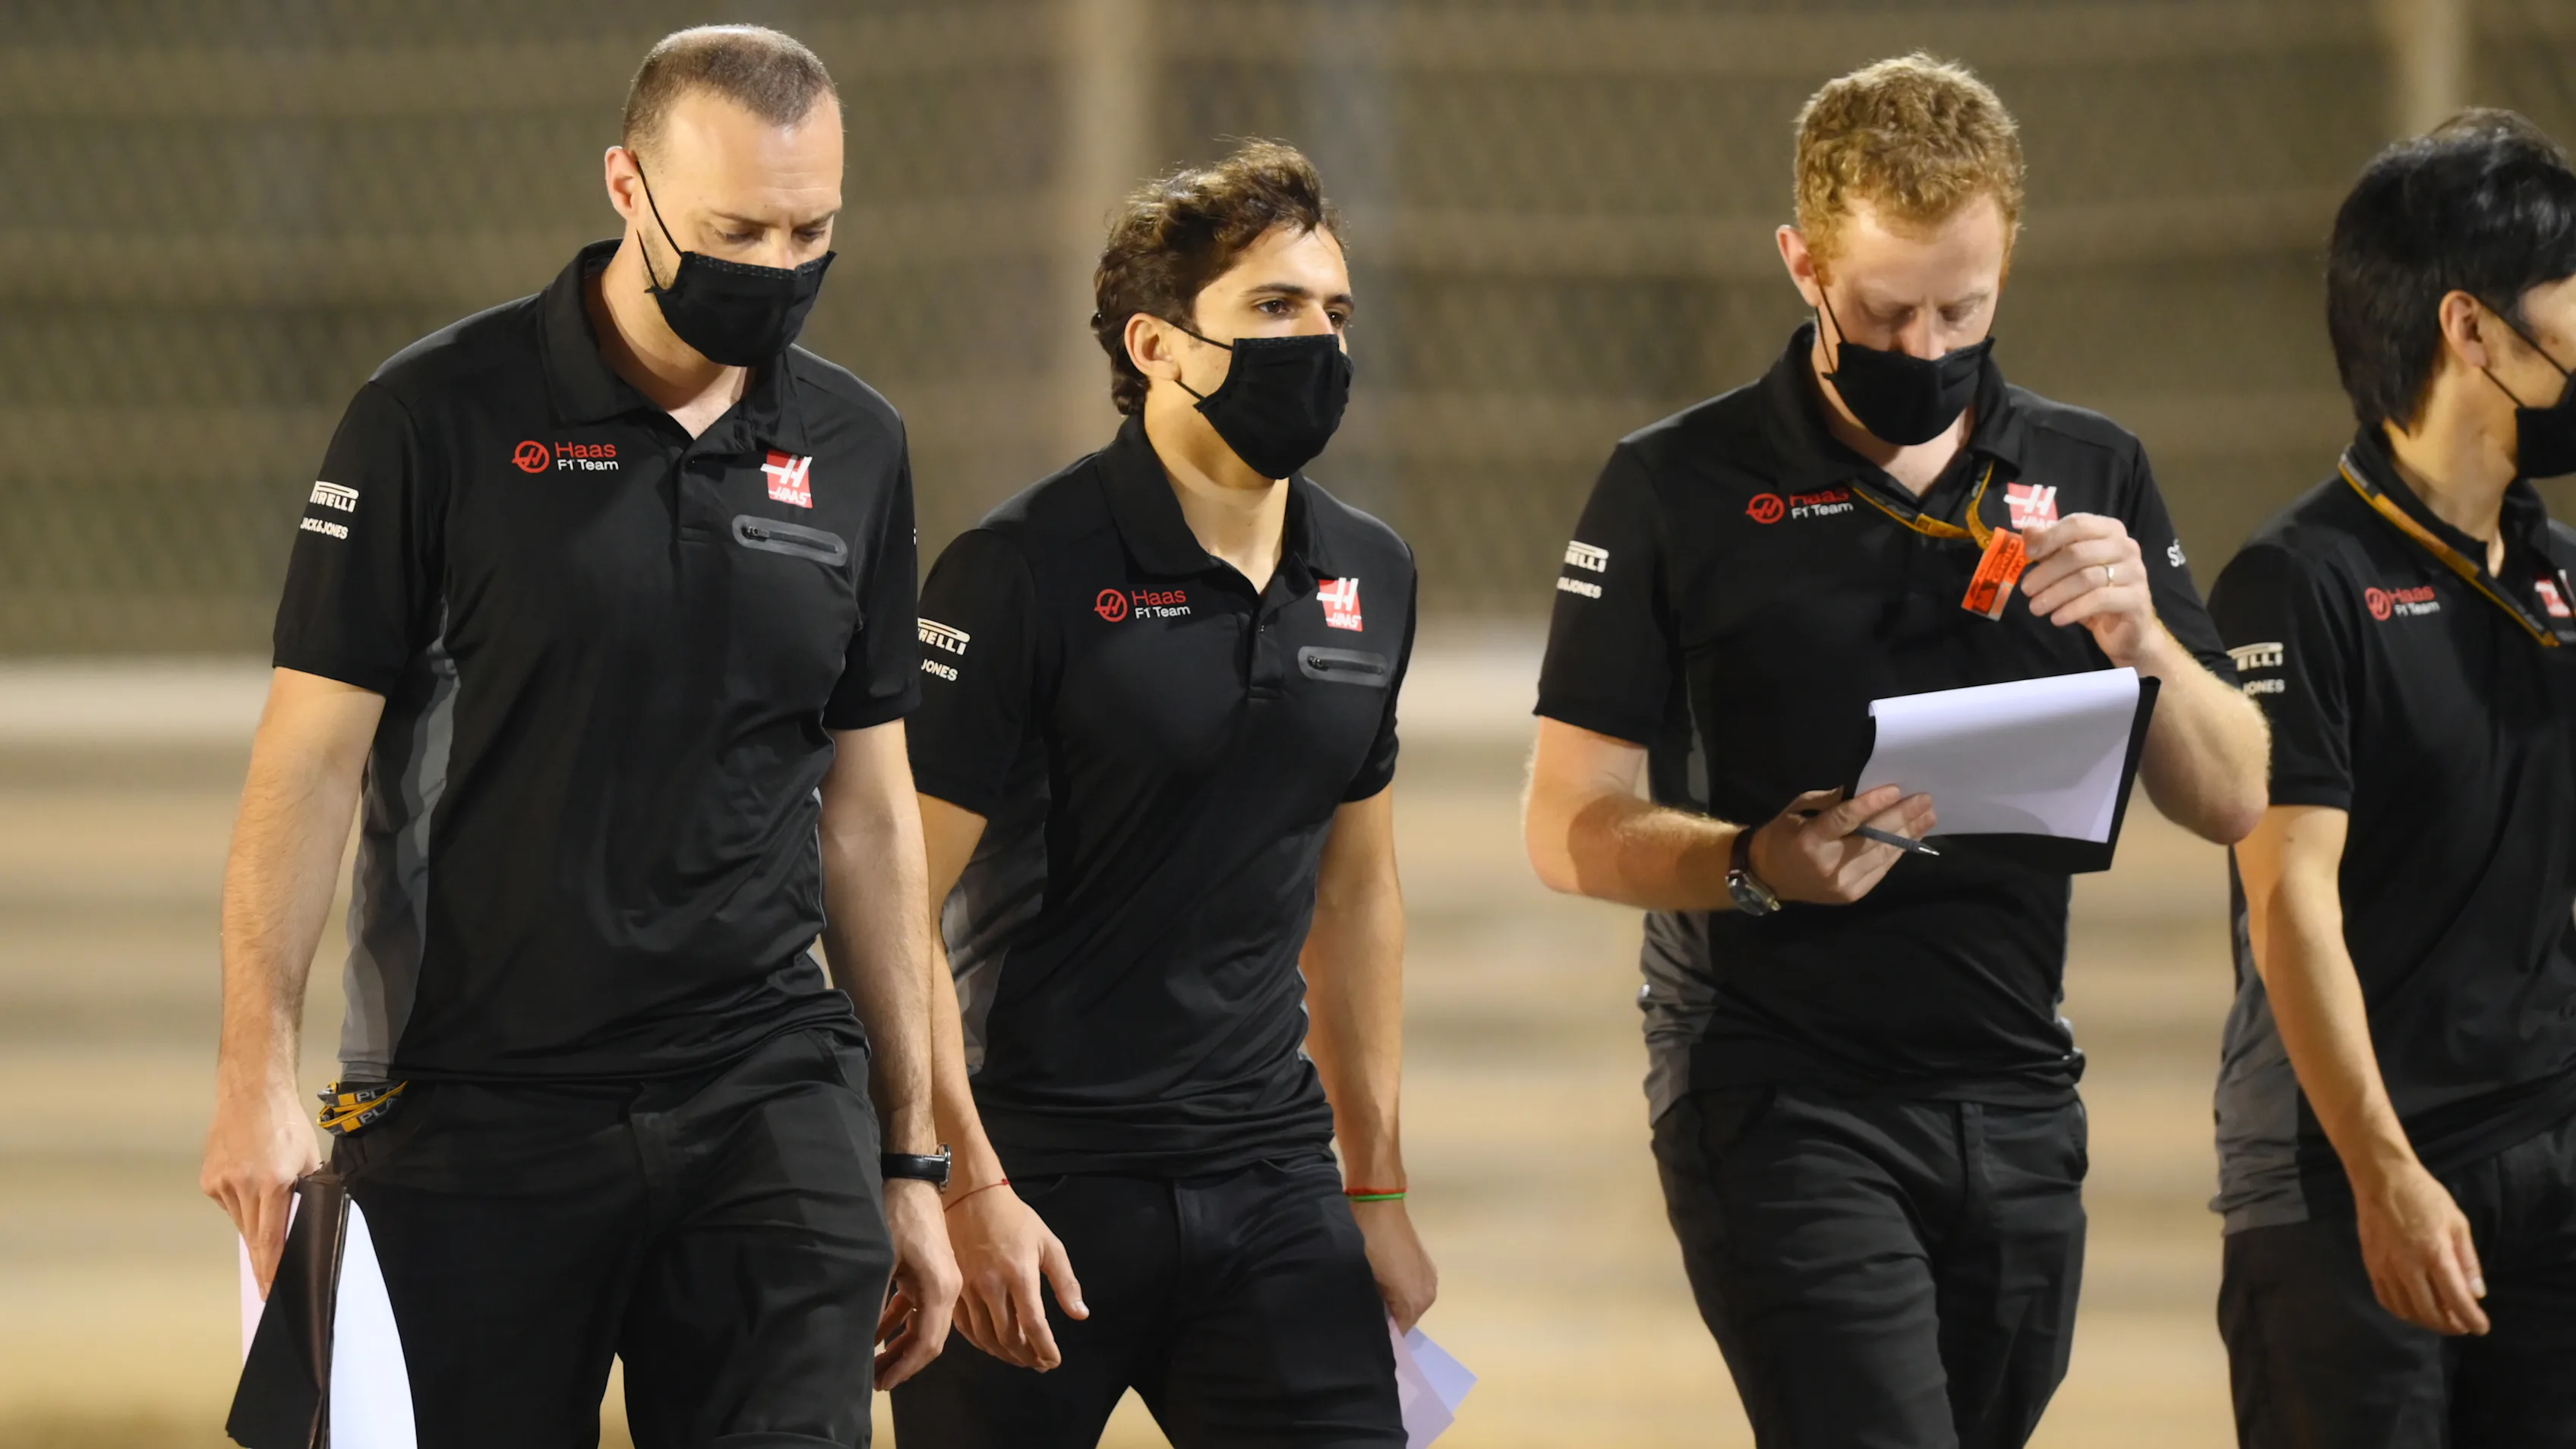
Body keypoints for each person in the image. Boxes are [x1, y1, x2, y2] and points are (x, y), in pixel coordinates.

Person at [196, 26, 959, 1446]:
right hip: (471, 1102)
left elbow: (867, 809)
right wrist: (255, 1077)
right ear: (627, 187)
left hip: (764, 1087)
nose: (782, 265)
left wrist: (912, 1158)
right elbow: (307, 760)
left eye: (815, 229)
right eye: (739, 228)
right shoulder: (430, 418)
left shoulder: (858, 445)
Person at [1520, 54, 2268, 1449]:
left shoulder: (2093, 467)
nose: (1924, 349)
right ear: (1801, 264)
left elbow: (2233, 797)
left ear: (2008, 266)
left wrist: (2148, 641)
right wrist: (1752, 863)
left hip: (2014, 1081)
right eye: (1884, 310)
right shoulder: (1674, 485)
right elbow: (1567, 821)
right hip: (1780, 1084)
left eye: (1961, 310)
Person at [886, 140, 1433, 1448]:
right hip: (1041, 1188)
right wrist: (964, 1185)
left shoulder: (1372, 573)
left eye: (1334, 313)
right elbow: (891, 898)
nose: (1319, 343)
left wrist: (1375, 1188)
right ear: (1157, 346)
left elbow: (1355, 894)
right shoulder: (1018, 569)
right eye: (1275, 309)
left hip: (1273, 1185)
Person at [2209, 111, 2576, 1449]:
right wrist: (2384, 1173)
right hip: (2351, 1186)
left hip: (2547, 1163)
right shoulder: (2302, 581)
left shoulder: (2555, 572)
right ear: (2474, 330)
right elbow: (2290, 899)